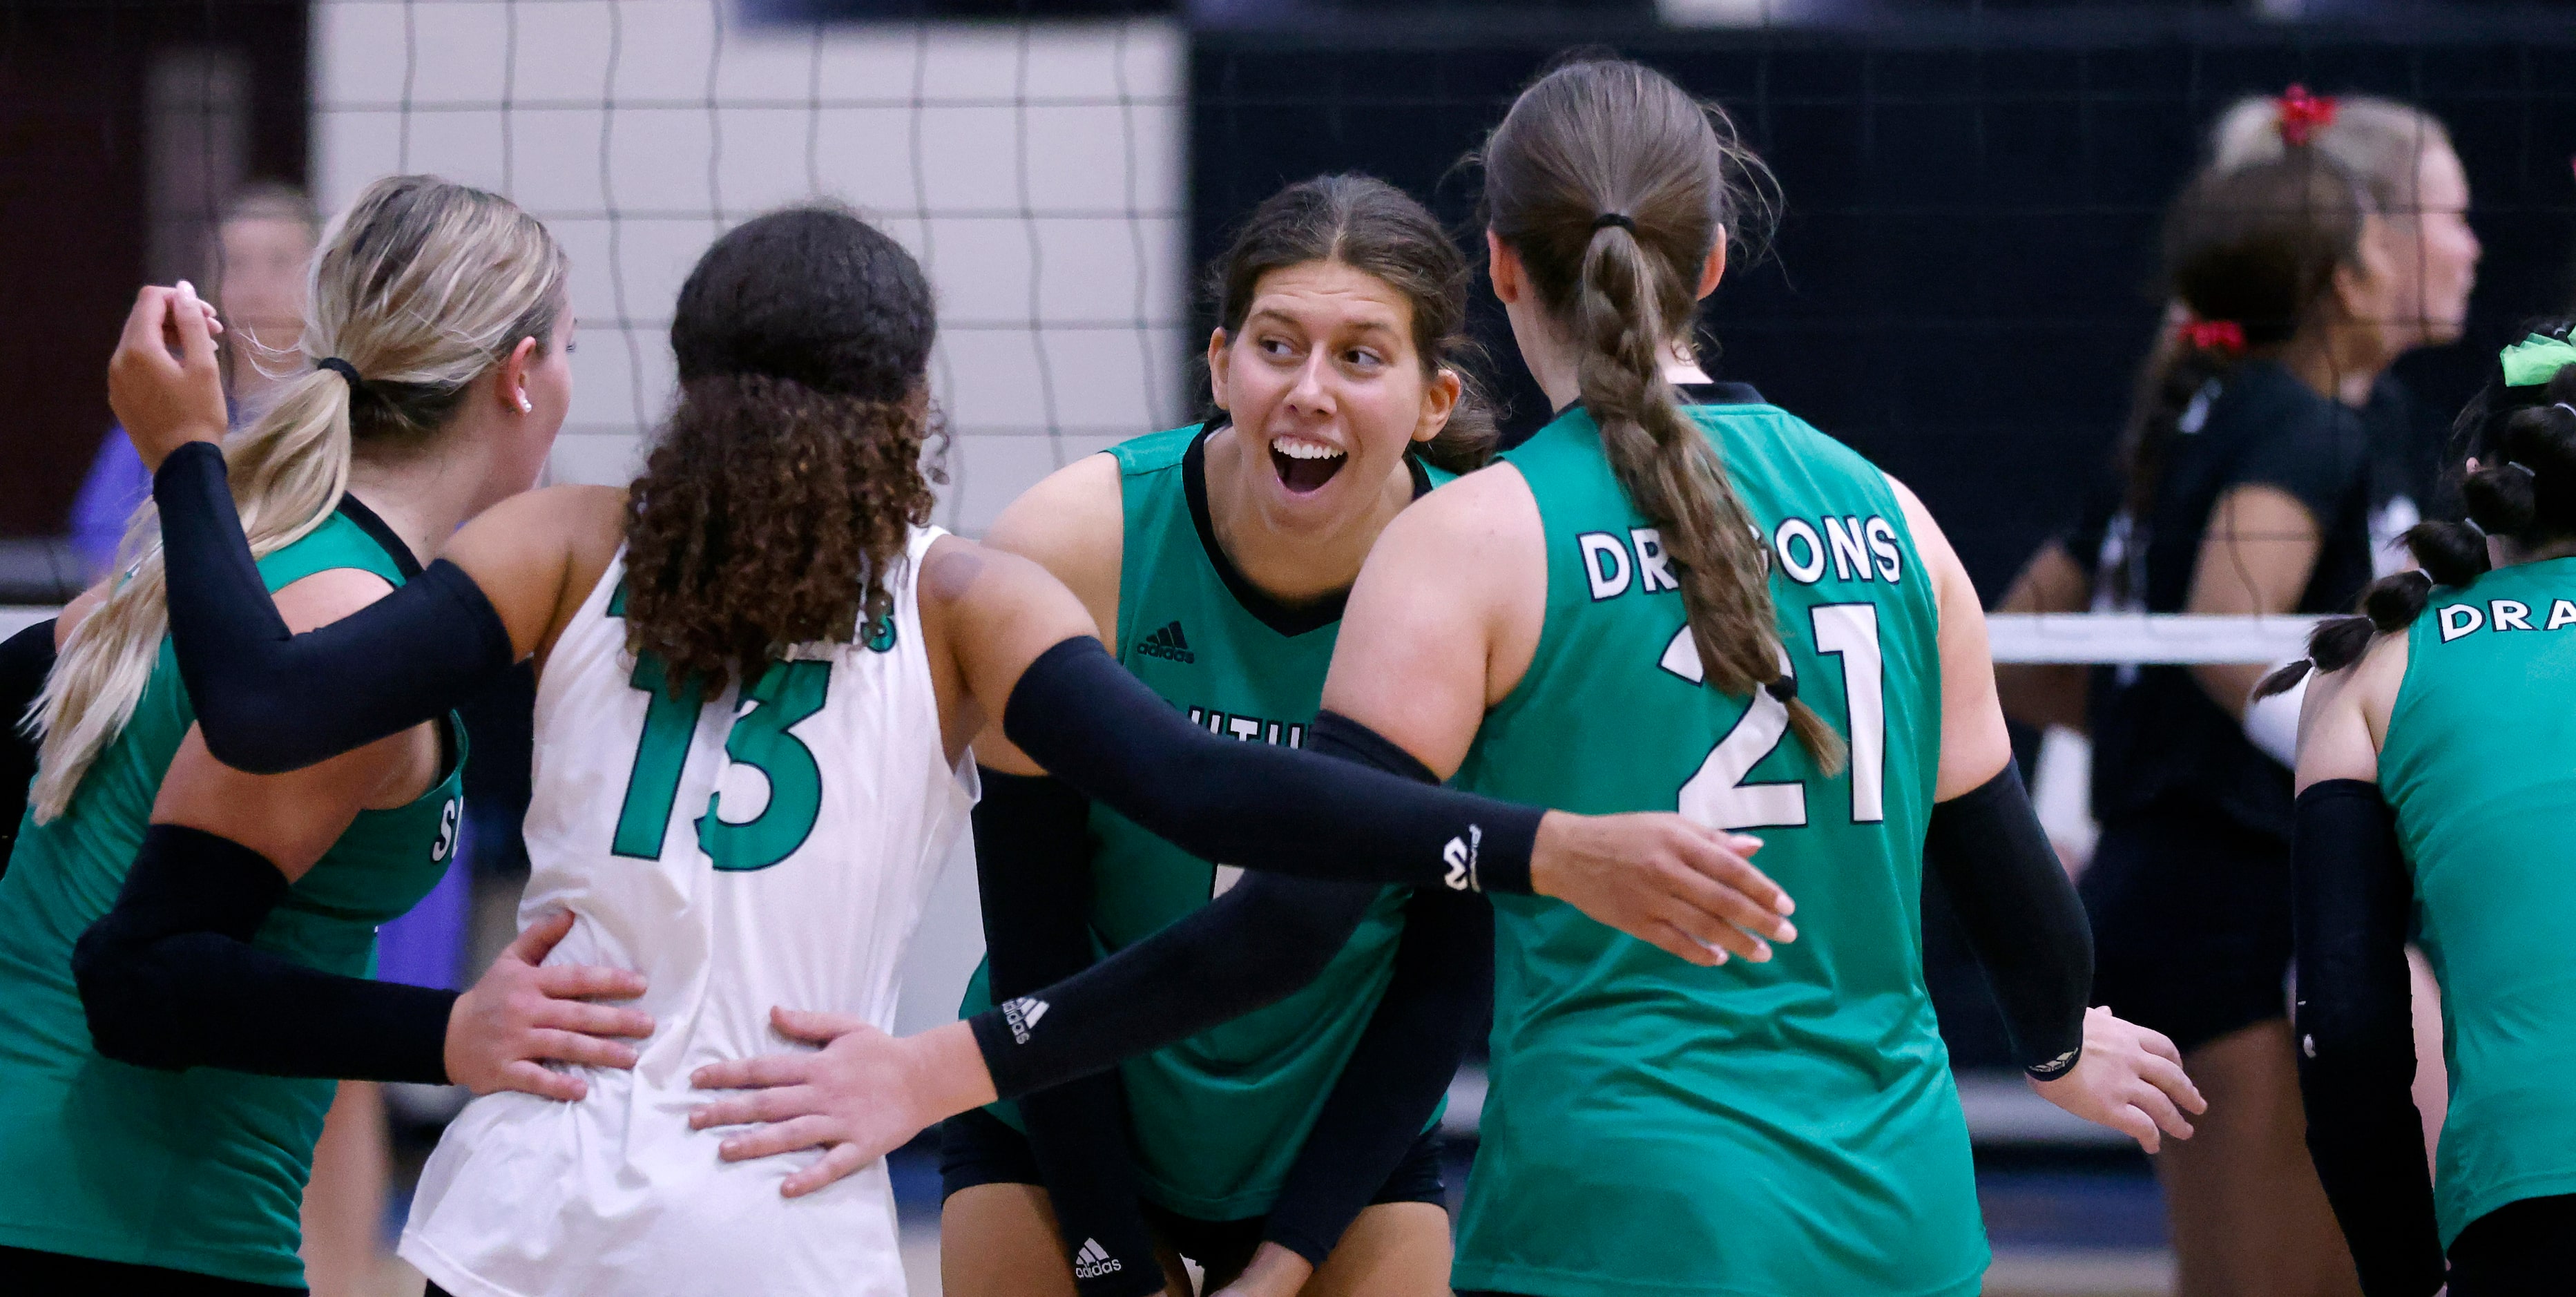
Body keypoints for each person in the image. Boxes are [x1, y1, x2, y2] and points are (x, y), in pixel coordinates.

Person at [689, 57, 2204, 1297]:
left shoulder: (1474, 536)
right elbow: (2010, 880)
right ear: (1715, 259)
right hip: (1901, 1212)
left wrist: (943, 1067)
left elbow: (1293, 920)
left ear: (1492, 271)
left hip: (1620, 1206)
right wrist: (2062, 1039)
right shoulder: (1893, 512)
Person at [118, 201, 1797, 1297]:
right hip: (781, 1209)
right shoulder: (962, 600)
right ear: (913, 397)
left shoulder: (562, 544)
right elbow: (1214, 790)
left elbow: (260, 701)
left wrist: (188, 452)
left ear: (689, 382)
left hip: (526, 1213)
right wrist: (1530, 843)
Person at [0, 175, 652, 1293]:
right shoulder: (342, 616)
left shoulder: (224, 560)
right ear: (518, 374)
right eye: (571, 349)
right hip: (131, 1220)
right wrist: (452, 1031)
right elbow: (144, 981)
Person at [945, 173, 1496, 1297]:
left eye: (1359, 356)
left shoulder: (1487, 576)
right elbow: (1033, 930)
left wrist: (1285, 1260)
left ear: (1433, 397)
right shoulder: (1077, 538)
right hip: (1065, 1114)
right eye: (1277, 345)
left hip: (1333, 1141)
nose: (1308, 391)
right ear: (1218, 362)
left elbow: (1443, 982)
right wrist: (1113, 1259)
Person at [1992, 119, 2433, 1297]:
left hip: (2167, 882)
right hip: (2232, 903)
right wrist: (2382, 763)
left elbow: (2020, 647)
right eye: (2400, 233)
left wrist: (2155, 738)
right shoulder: (2302, 421)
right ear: (2347, 277)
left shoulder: (2190, 416)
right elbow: (2232, 634)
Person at [2267, 324, 2576, 1296]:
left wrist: (2405, 1278)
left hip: (2526, 1205)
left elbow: (2348, 1034)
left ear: (2480, 475)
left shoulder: (2375, 667)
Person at [70, 184, 323, 580]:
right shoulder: (165, 399)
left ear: (322, 281)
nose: (256, 288)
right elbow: (103, 559)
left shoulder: (349, 411)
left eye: (279, 263)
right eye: (237, 264)